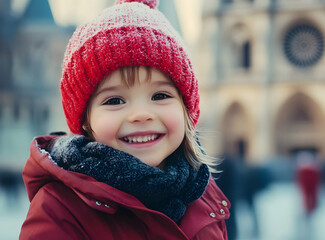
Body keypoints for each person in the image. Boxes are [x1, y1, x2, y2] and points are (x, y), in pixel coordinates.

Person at [19, 0, 230, 239]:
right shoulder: (59, 209)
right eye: (115, 101)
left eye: (160, 95)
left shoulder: (204, 195)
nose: (140, 114)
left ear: (185, 110)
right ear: (86, 120)